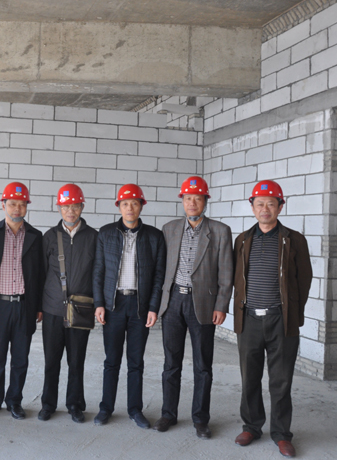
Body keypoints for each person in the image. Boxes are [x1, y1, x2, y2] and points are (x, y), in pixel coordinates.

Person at [232, 180, 312, 458]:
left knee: (281, 380)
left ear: (280, 206)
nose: (265, 208)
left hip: (281, 319)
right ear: (252, 207)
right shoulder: (242, 240)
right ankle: (251, 427)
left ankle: (281, 434)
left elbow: (304, 279)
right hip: (249, 319)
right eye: (259, 203)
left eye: (270, 203)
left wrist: (292, 314)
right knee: (249, 378)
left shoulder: (294, 239)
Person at [155, 176, 233, 439]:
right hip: (173, 302)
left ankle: (200, 419)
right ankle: (168, 414)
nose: (192, 203)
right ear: (182, 201)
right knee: (171, 362)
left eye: (197, 198)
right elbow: (162, 268)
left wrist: (221, 305)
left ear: (205, 201)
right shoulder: (169, 229)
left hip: (204, 304)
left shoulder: (220, 231)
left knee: (202, 365)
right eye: (187, 198)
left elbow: (226, 273)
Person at [93, 183, 166, 429]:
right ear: (119, 207)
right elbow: (98, 271)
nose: (130, 208)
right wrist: (99, 303)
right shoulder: (105, 234)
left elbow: (158, 276)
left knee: (136, 361)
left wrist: (153, 307)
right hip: (113, 305)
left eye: (135, 203)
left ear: (141, 206)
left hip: (139, 306)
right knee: (111, 360)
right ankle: (106, 408)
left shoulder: (154, 237)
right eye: (125, 203)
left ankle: (135, 409)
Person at [0, 182, 44, 420]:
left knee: (20, 358)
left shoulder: (36, 236)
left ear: (26, 206)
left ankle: (14, 401)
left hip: (24, 306)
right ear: (3, 205)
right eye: (12, 203)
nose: (17, 208)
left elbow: (41, 274)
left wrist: (38, 306)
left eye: (22, 204)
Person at [38, 184, 98, 423]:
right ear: (59, 208)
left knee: (76, 361)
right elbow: (41, 273)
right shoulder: (49, 237)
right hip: (53, 308)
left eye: (74, 206)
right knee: (51, 360)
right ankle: (48, 404)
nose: (70, 211)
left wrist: (98, 305)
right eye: (65, 206)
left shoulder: (93, 237)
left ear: (82, 207)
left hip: (81, 309)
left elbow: (98, 273)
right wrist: (40, 307)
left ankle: (75, 405)